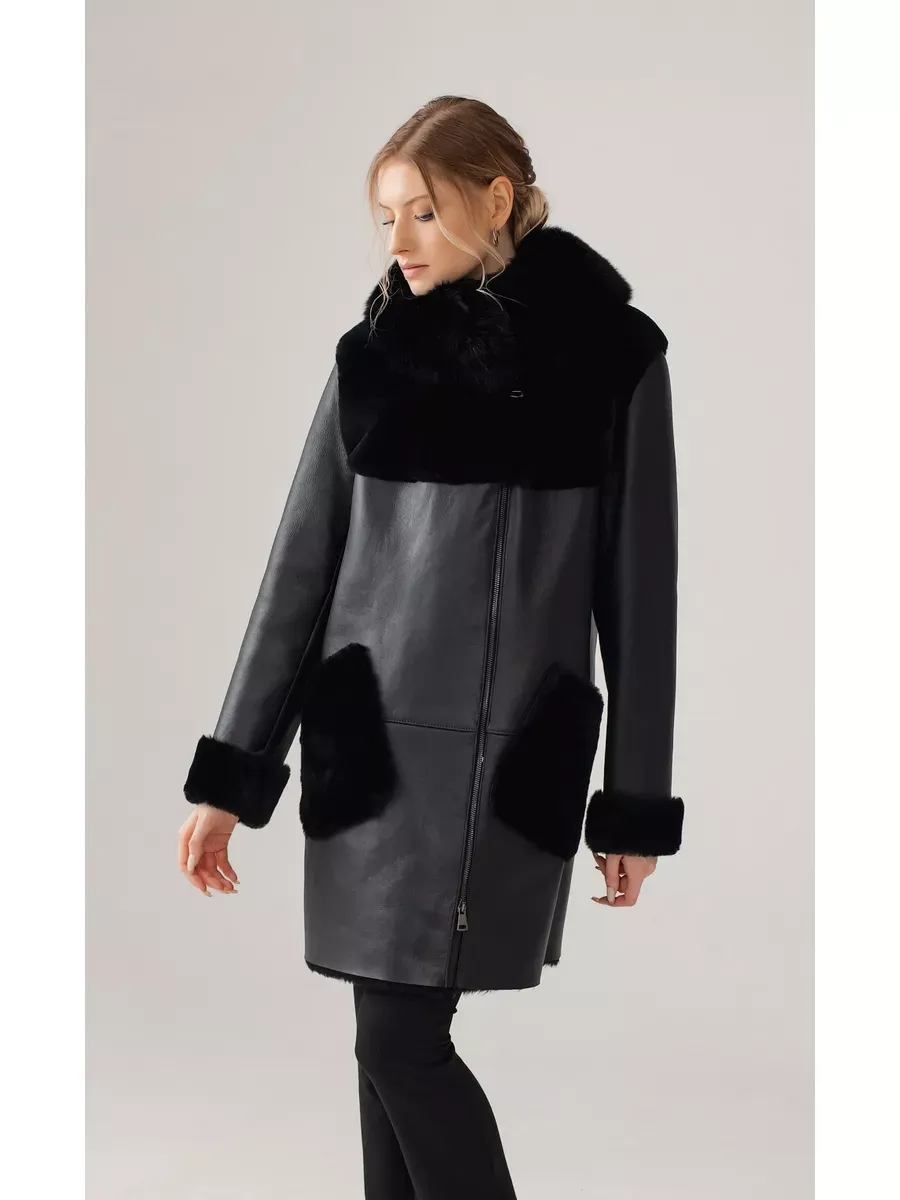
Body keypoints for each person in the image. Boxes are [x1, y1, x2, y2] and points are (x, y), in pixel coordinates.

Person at [178, 94, 684, 1200]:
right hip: (368, 758)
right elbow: (299, 577)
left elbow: (641, 599)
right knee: (383, 1047)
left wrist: (633, 803)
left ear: (495, 199)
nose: (397, 243)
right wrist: (233, 775)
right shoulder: (373, 357)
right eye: (384, 217)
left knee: (400, 1044)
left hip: (505, 763)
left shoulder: (613, 360)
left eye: (421, 211)